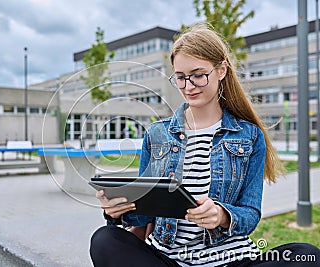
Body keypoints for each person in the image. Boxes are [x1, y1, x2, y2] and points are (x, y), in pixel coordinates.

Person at [90, 23, 320, 266]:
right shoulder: (156, 134)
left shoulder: (249, 136)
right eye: (180, 77)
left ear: (221, 70)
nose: (188, 86)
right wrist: (118, 211)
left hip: (230, 260)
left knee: (307, 255)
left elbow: (250, 215)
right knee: (104, 239)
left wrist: (221, 215)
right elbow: (146, 213)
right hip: (168, 260)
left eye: (198, 75)